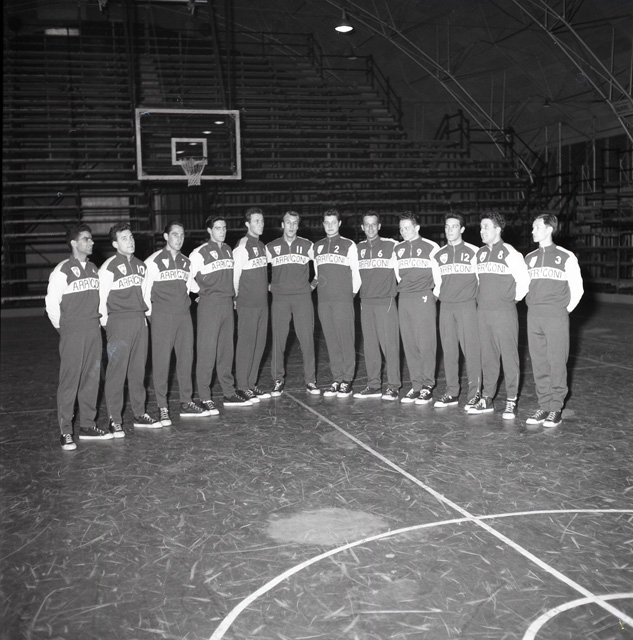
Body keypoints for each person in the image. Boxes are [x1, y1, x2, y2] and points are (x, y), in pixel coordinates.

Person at [45, 223, 112, 449]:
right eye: (86, 239)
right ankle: (65, 431)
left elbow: (100, 301)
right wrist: (64, 329)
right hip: (73, 331)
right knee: (70, 380)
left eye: (91, 239)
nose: (91, 242)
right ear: (74, 243)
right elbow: (51, 305)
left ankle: (87, 425)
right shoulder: (62, 270)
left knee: (92, 378)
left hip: (93, 329)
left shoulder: (93, 268)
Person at [143, 221, 215, 424]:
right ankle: (162, 406)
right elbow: (144, 293)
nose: (179, 238)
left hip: (184, 317)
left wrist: (206, 293)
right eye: (175, 234)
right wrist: (151, 317)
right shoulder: (153, 261)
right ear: (166, 237)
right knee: (162, 362)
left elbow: (191, 286)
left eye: (182, 235)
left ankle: (186, 401)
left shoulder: (186, 262)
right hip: (162, 317)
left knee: (186, 359)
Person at [99, 222, 160, 433]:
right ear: (115, 244)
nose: (130, 241)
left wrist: (147, 319)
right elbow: (100, 299)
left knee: (138, 370)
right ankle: (114, 419)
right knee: (117, 372)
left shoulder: (142, 266)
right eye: (124, 238)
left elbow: (145, 296)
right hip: (118, 322)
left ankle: (139, 413)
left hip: (139, 322)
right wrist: (107, 325)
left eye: (131, 237)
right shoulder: (108, 267)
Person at [524, 213, 583, 427]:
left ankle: (556, 407)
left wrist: (562, 310)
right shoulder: (529, 258)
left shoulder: (566, 256)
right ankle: (544, 405)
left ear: (549, 229)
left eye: (537, 227)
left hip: (556, 315)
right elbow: (524, 286)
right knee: (539, 362)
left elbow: (577, 289)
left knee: (557, 361)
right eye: (533, 227)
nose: (533, 231)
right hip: (534, 315)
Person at [469, 211, 529, 418]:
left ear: (498, 229)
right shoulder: (479, 254)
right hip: (483, 313)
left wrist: (511, 300)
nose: (481, 231)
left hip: (504, 312)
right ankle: (487, 397)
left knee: (509, 356)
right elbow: (478, 281)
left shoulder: (511, 253)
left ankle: (511, 399)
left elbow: (524, 281)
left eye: (486, 227)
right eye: (481, 227)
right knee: (488, 356)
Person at [189, 215, 251, 408]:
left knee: (226, 350)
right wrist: (200, 292)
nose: (222, 231)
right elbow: (186, 277)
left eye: (224, 228)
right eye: (218, 228)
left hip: (227, 304)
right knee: (207, 351)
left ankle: (229, 392)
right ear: (209, 230)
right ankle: (205, 396)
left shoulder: (228, 250)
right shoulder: (199, 253)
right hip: (210, 305)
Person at [266, 211, 320, 396]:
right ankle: (278, 379)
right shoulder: (271, 247)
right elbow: (257, 269)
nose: (291, 226)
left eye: (295, 223)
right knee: (278, 340)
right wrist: (267, 285)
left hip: (302, 298)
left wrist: (312, 286)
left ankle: (310, 380)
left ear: (298, 225)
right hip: (280, 298)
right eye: (288, 222)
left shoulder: (307, 245)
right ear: (282, 225)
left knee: (307, 340)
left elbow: (320, 267)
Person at [433, 213, 482, 410]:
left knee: (471, 351)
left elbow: (481, 281)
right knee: (449, 351)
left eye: (454, 226)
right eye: (447, 226)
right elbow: (437, 284)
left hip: (466, 307)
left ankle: (475, 394)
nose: (450, 230)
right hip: (446, 308)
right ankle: (452, 392)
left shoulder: (474, 252)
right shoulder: (438, 255)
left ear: (462, 229)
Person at [313, 209, 361, 398]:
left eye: (333, 222)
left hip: (343, 300)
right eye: (327, 222)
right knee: (331, 340)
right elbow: (318, 274)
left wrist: (350, 295)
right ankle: (337, 378)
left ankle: (347, 380)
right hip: (324, 301)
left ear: (339, 224)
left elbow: (357, 273)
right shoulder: (317, 246)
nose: (330, 226)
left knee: (345, 339)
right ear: (323, 224)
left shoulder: (349, 245)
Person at [394, 212, 441, 405]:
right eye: (401, 228)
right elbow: (398, 275)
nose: (404, 231)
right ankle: (416, 385)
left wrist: (432, 296)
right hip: (405, 298)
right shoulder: (398, 249)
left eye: (407, 227)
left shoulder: (431, 247)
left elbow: (439, 276)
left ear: (417, 227)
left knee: (426, 342)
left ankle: (427, 385)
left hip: (424, 297)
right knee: (410, 343)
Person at [353, 211, 401, 401]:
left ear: (379, 226)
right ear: (362, 227)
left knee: (390, 345)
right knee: (370, 346)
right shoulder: (357, 248)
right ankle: (373, 385)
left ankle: (393, 386)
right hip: (366, 303)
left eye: (374, 224)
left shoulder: (392, 245)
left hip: (385, 302)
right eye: (367, 224)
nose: (371, 228)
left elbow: (402, 272)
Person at [233, 207, 271, 403]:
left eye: (262, 221)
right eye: (257, 221)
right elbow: (234, 277)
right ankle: (242, 386)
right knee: (246, 345)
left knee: (259, 344)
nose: (261, 224)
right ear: (247, 224)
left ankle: (251, 383)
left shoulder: (262, 245)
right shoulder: (242, 246)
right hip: (247, 304)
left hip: (263, 304)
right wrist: (236, 299)